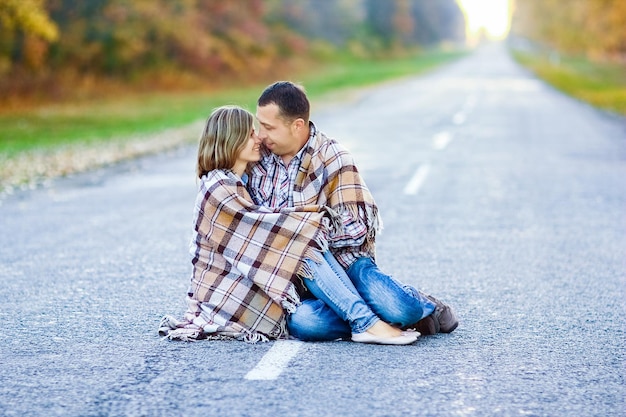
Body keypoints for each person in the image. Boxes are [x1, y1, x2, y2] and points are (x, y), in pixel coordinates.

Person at [159, 105, 418, 345]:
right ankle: (368, 321)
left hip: (290, 280)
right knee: (305, 290)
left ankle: (371, 320)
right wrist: (314, 220)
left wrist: (309, 224)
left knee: (304, 239)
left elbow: (277, 227)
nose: (258, 138)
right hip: (232, 300)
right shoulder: (218, 188)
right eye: (250, 133)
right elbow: (267, 230)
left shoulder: (239, 180)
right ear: (231, 141)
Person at [248, 81, 459, 341]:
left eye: (268, 127)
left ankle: (426, 307)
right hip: (297, 279)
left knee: (399, 307)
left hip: (348, 264)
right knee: (306, 323)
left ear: (297, 126)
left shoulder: (333, 156)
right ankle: (373, 320)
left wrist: (304, 232)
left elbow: (358, 228)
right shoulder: (259, 161)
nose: (260, 134)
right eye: (259, 124)